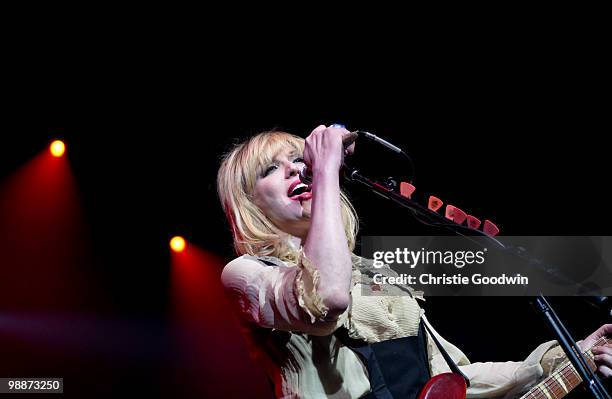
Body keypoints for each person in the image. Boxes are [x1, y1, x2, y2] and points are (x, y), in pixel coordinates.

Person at [217, 125, 612, 398]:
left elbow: (454, 378)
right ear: (249, 203)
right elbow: (327, 299)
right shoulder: (248, 274)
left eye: (297, 159)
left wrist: (575, 355)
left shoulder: (377, 276)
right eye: (272, 169)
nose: (295, 168)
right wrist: (325, 175)